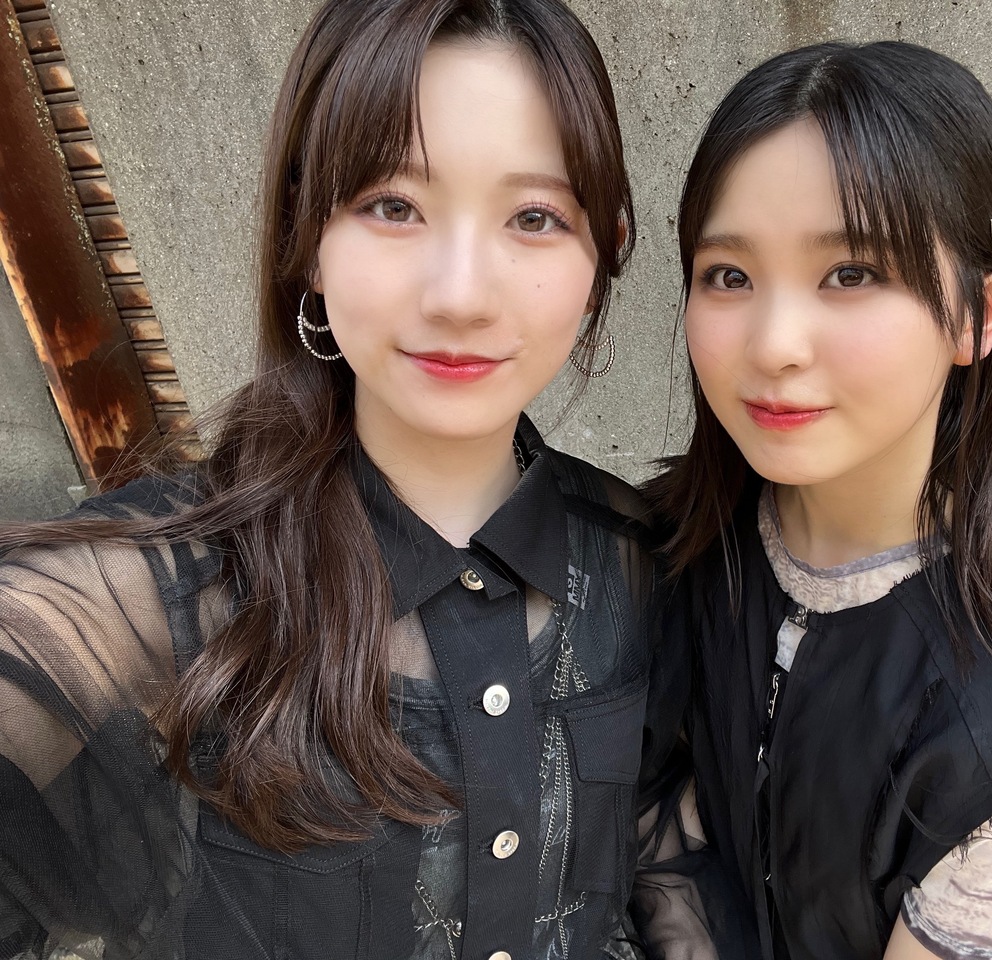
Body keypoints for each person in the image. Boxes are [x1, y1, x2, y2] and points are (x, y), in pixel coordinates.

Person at [0, 1, 672, 957]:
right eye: (393, 206)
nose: (460, 295)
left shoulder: (636, 557)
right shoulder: (155, 589)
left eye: (534, 217)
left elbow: (656, 853)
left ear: (602, 254)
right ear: (306, 235)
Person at [644, 41, 992, 960]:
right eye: (729, 275)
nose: (774, 343)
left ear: (981, 313)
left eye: (851, 274)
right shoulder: (671, 546)